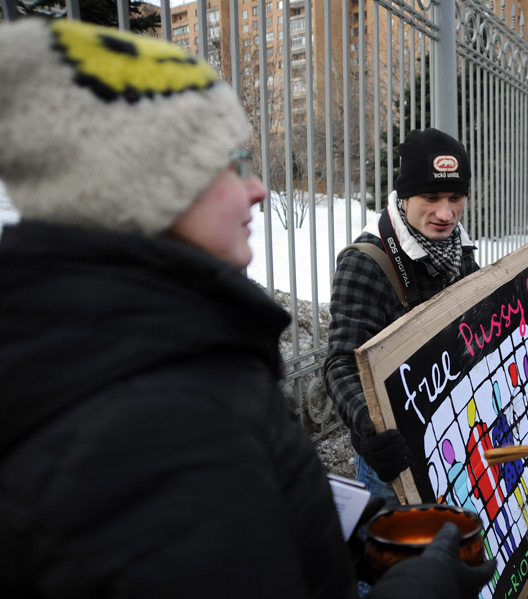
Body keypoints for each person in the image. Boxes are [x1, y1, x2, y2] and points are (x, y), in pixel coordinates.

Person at [0, 19, 494, 598]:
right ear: (152, 190)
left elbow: (270, 494)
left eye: (455, 198)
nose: (259, 189)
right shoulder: (135, 415)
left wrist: (368, 537)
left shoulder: (198, 345)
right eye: (233, 165)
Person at [326, 128, 480, 506]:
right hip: (395, 464)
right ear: (405, 196)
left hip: (455, 438)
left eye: (455, 198)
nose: (445, 214)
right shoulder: (366, 262)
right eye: (431, 197)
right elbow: (341, 364)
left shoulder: (459, 250)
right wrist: (372, 429)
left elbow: (485, 321)